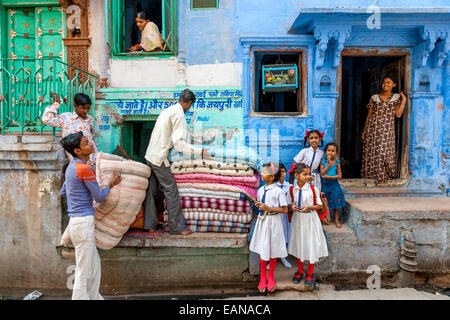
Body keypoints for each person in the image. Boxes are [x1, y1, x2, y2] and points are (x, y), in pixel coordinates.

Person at [60, 131, 121, 300]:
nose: (91, 144)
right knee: (84, 269)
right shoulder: (85, 168)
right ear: (77, 151)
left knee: (94, 265)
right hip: (83, 223)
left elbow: (63, 191)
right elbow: (99, 197)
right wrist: (111, 183)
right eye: (86, 143)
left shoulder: (72, 167)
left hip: (76, 222)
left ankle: (94, 297)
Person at [143, 89, 212, 235]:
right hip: (160, 157)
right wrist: (200, 152)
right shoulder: (180, 114)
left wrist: (197, 140)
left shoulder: (168, 110)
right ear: (189, 103)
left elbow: (180, 134)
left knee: (152, 191)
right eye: (191, 105)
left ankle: (150, 225)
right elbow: (179, 143)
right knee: (171, 190)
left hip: (150, 155)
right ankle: (177, 227)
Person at [287, 163, 328, 289]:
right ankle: (300, 271)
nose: (307, 176)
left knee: (311, 245)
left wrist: (309, 207)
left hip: (310, 219)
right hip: (298, 220)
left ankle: (310, 273)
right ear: (297, 175)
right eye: (305, 174)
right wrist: (292, 207)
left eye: (308, 174)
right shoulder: (291, 189)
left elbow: (320, 205)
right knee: (299, 244)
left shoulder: (312, 189)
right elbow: (289, 203)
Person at [249, 163, 288, 294]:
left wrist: (268, 208)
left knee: (272, 248)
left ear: (271, 177)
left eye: (264, 173)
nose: (261, 174)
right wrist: (258, 205)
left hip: (274, 222)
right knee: (263, 247)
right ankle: (263, 277)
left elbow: (284, 209)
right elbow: (262, 206)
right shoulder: (261, 190)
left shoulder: (279, 191)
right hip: (262, 222)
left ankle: (270, 276)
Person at [361, 75, 407, 183]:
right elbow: (369, 115)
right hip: (373, 129)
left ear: (394, 85)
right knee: (373, 153)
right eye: (384, 82)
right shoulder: (374, 98)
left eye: (388, 82)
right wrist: (364, 131)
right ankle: (372, 178)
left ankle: (384, 178)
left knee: (384, 153)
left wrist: (404, 100)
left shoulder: (396, 98)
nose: (385, 84)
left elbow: (398, 114)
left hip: (387, 130)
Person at [42, 92, 97, 166]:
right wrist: (56, 105)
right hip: (77, 159)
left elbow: (91, 136)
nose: (86, 111)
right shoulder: (66, 117)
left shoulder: (90, 119)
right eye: (83, 108)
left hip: (93, 158)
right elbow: (46, 119)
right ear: (75, 105)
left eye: (88, 108)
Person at [320, 142, 346, 228]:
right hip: (324, 185)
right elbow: (322, 172)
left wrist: (329, 177)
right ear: (325, 151)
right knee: (323, 202)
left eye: (333, 151)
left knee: (335, 203)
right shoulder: (323, 161)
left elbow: (340, 175)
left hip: (334, 185)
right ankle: (325, 219)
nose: (330, 152)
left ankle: (336, 220)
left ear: (336, 152)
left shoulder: (337, 162)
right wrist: (328, 165)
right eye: (329, 150)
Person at [275, 163, 292, 269]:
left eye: (284, 171)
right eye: (280, 172)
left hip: (286, 216)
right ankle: (273, 258)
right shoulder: (272, 187)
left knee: (285, 235)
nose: (282, 174)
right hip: (276, 215)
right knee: (275, 235)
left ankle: (283, 257)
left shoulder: (289, 186)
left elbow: (291, 200)